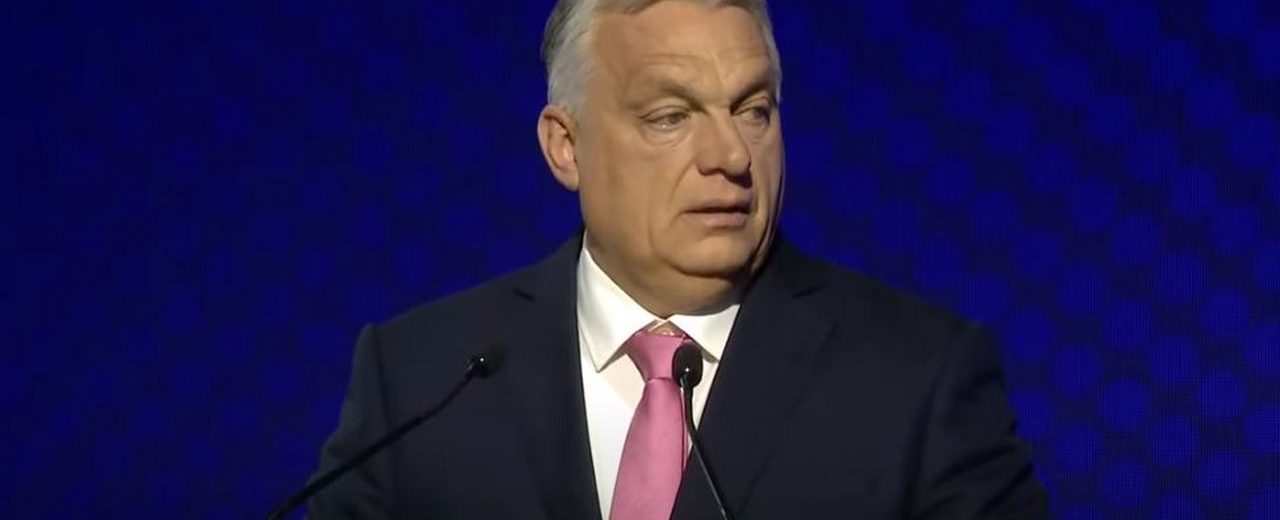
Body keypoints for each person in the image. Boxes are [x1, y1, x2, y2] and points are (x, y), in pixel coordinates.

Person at [306, 0, 1051, 518]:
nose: (731, 156)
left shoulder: (918, 379)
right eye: (670, 117)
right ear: (566, 146)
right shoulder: (421, 378)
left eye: (753, 110)